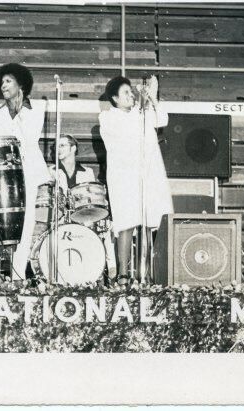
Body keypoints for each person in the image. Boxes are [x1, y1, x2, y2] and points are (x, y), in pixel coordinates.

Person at [98, 75, 172, 282]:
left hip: (147, 175)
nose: (130, 95)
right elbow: (126, 133)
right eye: (126, 93)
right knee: (126, 223)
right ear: (115, 99)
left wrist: (152, 98)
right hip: (124, 178)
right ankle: (123, 274)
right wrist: (142, 103)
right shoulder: (107, 117)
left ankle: (147, 273)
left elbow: (163, 119)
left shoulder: (141, 114)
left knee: (149, 221)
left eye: (131, 91)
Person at [0, 63, 51, 280]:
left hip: (28, 172)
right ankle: (9, 271)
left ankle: (18, 275)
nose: (3, 85)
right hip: (5, 176)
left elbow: (28, 139)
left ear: (20, 84)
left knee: (26, 221)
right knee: (6, 222)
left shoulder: (36, 110)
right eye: (2, 82)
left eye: (8, 81)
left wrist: (18, 112)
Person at [47, 134, 117, 279]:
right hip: (60, 216)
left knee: (106, 224)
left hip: (83, 216)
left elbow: (92, 197)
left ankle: (111, 266)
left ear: (73, 148)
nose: (58, 149)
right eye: (56, 147)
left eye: (62, 145)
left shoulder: (87, 172)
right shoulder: (51, 171)